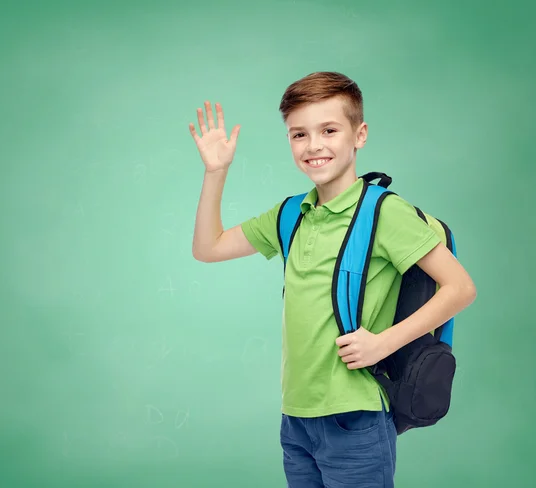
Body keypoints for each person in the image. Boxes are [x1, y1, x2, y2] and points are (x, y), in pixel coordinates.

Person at [189, 71, 476, 488]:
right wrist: (216, 171)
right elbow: (208, 248)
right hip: (297, 419)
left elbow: (461, 288)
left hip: (355, 417)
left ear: (359, 135)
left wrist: (384, 342)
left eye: (329, 130)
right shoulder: (290, 213)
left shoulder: (384, 213)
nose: (313, 146)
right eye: (298, 135)